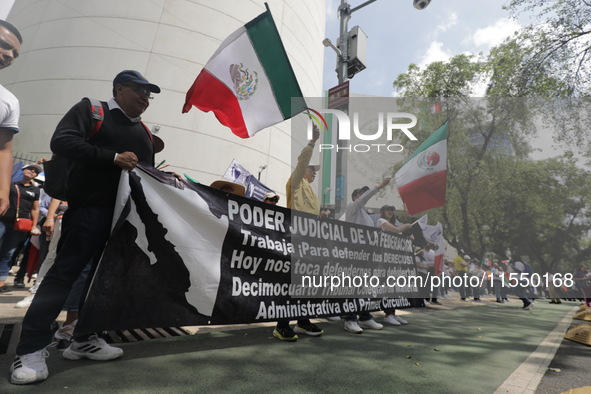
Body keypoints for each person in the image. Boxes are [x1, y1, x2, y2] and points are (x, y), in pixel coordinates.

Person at [10, 70, 161, 385]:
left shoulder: (145, 133)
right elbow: (62, 141)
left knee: (100, 281)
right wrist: (112, 158)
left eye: (149, 94)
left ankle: (84, 340)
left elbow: (145, 176)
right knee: (63, 277)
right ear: (119, 89)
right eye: (140, 91)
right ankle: (30, 350)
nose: (146, 98)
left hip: (122, 221)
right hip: (88, 211)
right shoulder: (93, 110)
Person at [284, 125, 323, 338]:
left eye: (315, 171)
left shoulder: (311, 191)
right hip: (295, 238)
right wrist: (312, 142)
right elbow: (301, 163)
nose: (314, 173)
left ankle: (303, 321)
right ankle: (282, 325)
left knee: (307, 285)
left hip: (310, 241)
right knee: (291, 284)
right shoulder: (296, 182)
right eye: (312, 169)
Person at [342, 178, 392, 333]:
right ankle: (350, 319)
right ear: (355, 196)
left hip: (366, 255)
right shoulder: (352, 208)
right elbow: (363, 200)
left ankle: (364, 317)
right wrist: (377, 187)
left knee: (363, 288)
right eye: (362, 194)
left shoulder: (367, 216)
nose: (365, 196)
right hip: (353, 254)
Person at [0, 164, 41, 294]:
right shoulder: (11, 185)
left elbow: (35, 209)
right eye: (30, 169)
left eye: (35, 171)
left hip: (19, 226)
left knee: (8, 254)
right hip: (2, 221)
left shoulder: (35, 190)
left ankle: (1, 283)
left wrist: (34, 226)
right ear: (23, 170)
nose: (32, 172)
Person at [376, 204, 412, 326]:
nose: (390, 212)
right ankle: (387, 314)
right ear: (382, 211)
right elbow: (396, 231)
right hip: (383, 260)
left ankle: (393, 313)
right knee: (387, 288)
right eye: (387, 210)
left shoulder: (396, 224)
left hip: (395, 260)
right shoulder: (381, 221)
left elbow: (399, 235)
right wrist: (406, 226)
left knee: (394, 288)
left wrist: (408, 236)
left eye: (392, 210)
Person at [0, 20, 22, 216]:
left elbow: (4, 149)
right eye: (4, 45)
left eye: (14, 53)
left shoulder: (9, 101)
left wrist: (3, 190)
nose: (9, 55)